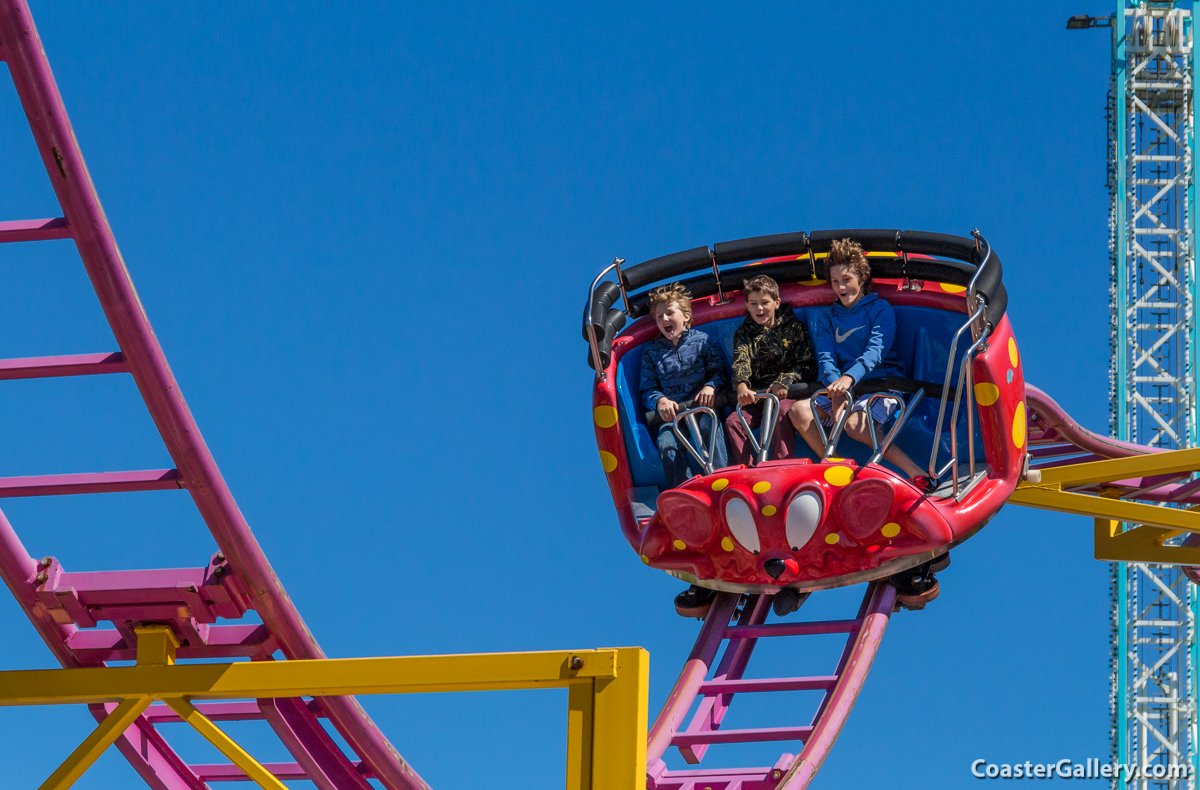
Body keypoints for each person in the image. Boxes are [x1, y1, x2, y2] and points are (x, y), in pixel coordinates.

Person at [790, 239, 936, 492]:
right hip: (845, 387)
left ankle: (917, 473)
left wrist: (848, 379)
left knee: (856, 425)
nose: (841, 287)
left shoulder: (880, 309)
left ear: (862, 277)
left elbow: (875, 352)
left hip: (881, 383)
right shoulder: (827, 316)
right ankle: (834, 465)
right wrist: (835, 391)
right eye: (835, 282)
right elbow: (826, 359)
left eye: (846, 280)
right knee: (799, 411)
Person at [638, 283, 729, 489]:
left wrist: (710, 387)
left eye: (669, 313)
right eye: (659, 317)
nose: (664, 320)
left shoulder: (702, 341)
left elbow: (718, 372)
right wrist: (660, 401)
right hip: (675, 414)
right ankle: (686, 488)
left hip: (702, 407)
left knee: (708, 426)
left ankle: (722, 479)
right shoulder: (651, 352)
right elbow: (647, 388)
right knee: (666, 443)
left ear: (686, 316)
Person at [723, 274, 816, 466]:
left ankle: (781, 464)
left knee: (781, 411)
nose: (759, 308)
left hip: (787, 394)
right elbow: (741, 361)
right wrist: (741, 386)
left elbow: (807, 364)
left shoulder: (794, 328)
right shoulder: (743, 333)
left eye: (765, 302)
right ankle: (747, 470)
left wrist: (785, 380)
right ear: (747, 306)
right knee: (734, 421)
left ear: (777, 303)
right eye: (753, 303)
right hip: (759, 397)